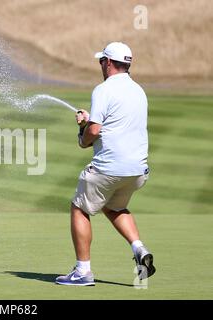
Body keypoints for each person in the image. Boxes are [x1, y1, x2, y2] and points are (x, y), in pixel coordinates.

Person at [56, 42, 155, 286]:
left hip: (109, 169)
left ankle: (83, 272)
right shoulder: (139, 90)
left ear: (108, 62)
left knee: (80, 207)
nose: (101, 64)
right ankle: (139, 249)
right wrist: (88, 123)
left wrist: (82, 131)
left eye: (102, 60)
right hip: (137, 171)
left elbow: (95, 131)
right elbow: (112, 124)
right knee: (114, 207)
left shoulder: (103, 89)